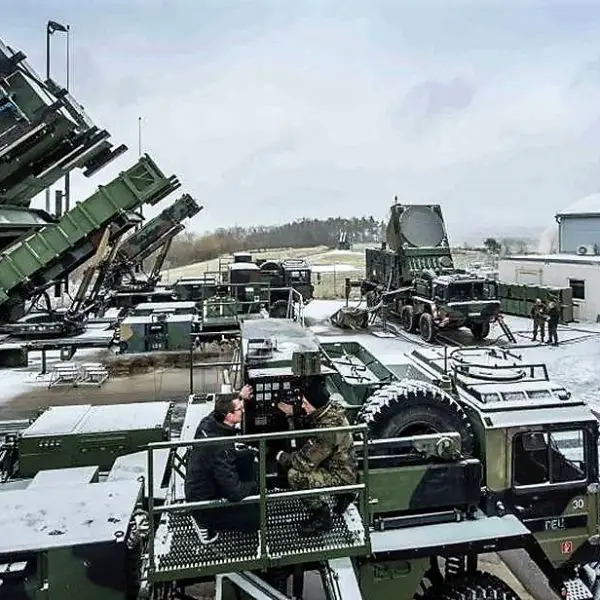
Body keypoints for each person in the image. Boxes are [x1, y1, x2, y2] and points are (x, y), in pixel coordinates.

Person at [275, 376, 357, 536]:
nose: (302, 406)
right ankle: (346, 495)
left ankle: (322, 518)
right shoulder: (331, 411)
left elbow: (303, 463)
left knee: (295, 475)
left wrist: (281, 456)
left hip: (340, 475)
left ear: (316, 404)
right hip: (344, 466)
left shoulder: (327, 431)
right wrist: (293, 413)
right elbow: (312, 417)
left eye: (305, 403)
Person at [185, 384, 259, 543]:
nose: (243, 410)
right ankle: (205, 524)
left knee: (247, 457)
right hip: (205, 503)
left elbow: (219, 408)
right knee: (254, 519)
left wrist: (240, 396)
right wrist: (254, 486)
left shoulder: (208, 422)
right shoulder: (220, 448)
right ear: (229, 416)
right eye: (239, 409)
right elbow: (234, 492)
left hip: (198, 485)